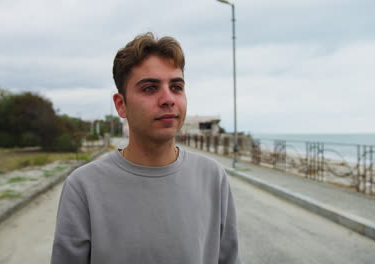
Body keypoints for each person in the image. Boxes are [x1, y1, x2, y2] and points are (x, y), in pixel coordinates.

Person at [51, 32, 241, 264]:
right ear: (121, 105)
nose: (168, 99)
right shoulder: (83, 187)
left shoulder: (213, 177)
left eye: (176, 86)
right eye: (150, 88)